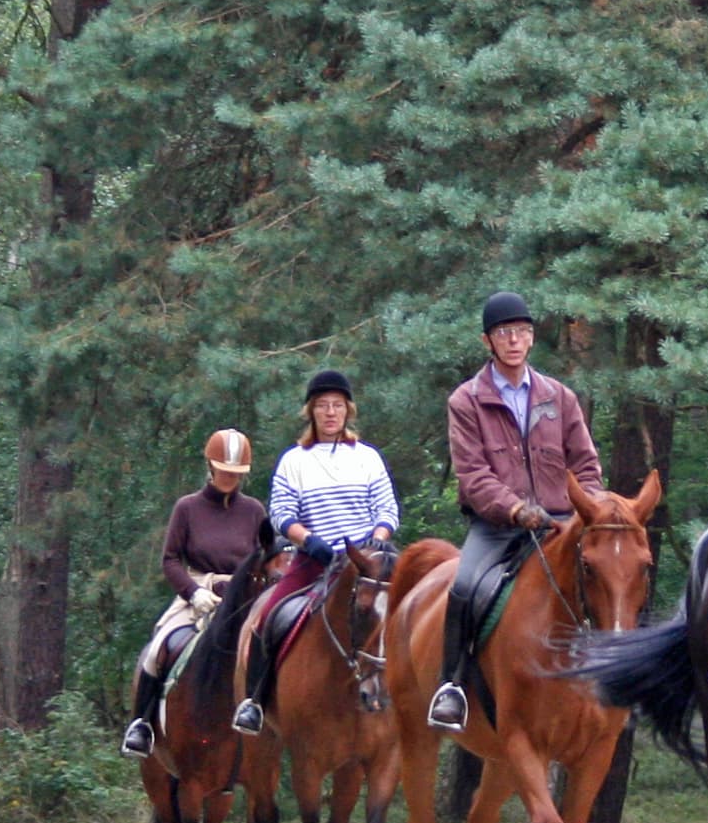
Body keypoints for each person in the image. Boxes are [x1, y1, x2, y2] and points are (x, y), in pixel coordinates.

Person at [426, 292, 605, 734]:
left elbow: (584, 463)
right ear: (488, 340)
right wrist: (514, 509)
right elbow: (473, 473)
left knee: (608, 575)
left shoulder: (558, 397)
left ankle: (615, 672)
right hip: (498, 527)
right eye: (505, 333)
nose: (514, 341)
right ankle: (451, 687)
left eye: (522, 332)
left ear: (532, 339)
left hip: (561, 522)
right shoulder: (466, 401)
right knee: (464, 587)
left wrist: (593, 507)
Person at [232, 371, 399, 737]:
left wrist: (377, 539)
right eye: (322, 406)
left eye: (337, 406)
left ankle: (422, 697)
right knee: (268, 617)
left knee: (411, 611)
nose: (330, 413)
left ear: (347, 411)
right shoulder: (294, 460)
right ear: (311, 412)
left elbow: (386, 508)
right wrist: (308, 540)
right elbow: (282, 513)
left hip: (366, 562)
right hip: (315, 559)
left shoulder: (368, 457)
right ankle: (256, 701)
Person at [121, 429, 270, 758]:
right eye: (224, 470)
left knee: (269, 648)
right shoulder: (187, 508)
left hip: (243, 598)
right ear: (210, 467)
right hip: (199, 593)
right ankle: (142, 724)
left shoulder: (254, 511)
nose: (230, 477)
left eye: (236, 472)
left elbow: (264, 558)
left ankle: (261, 714)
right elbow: (170, 559)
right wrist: (192, 592)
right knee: (160, 647)